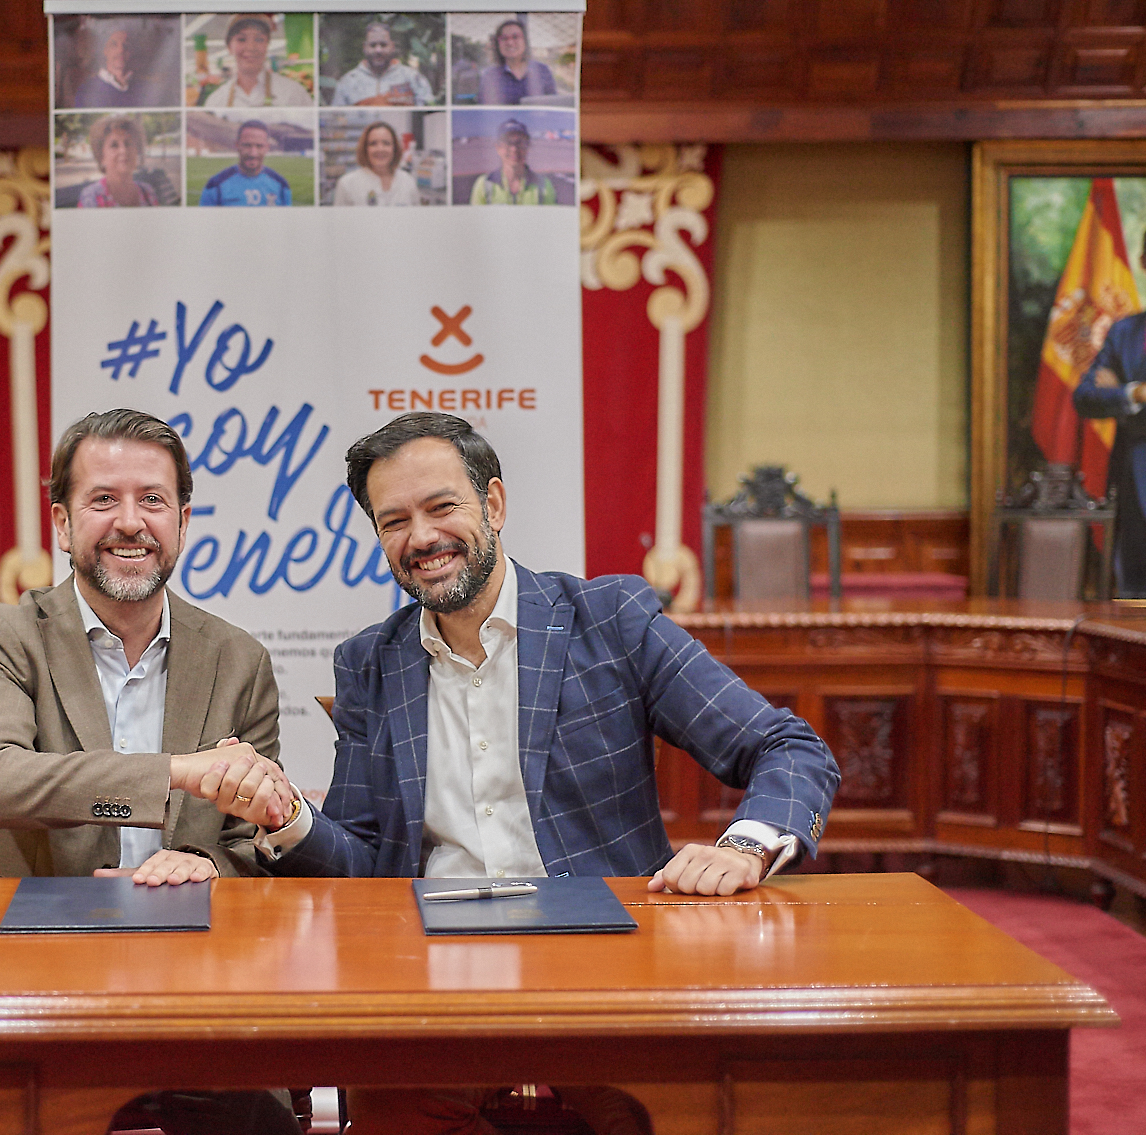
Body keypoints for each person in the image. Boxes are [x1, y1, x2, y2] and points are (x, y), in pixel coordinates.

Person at [183, 412, 840, 1135]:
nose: (421, 537)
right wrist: (289, 818)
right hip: (430, 984)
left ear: (492, 505)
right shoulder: (371, 662)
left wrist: (746, 846)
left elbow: (787, 745)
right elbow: (366, 861)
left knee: (674, 1114)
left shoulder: (610, 619)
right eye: (393, 519)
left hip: (606, 977)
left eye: (441, 507)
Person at [0, 410, 299, 1134]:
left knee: (264, 1122)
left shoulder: (238, 659)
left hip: (195, 985)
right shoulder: (4, 636)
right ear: (62, 522)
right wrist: (175, 771)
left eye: (153, 500)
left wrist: (205, 863)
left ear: (183, 519)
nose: (130, 522)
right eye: (104, 499)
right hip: (29, 976)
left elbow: (249, 846)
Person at [1074, 217, 1146, 598]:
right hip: (1128, 490)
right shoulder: (1123, 331)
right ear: (1143, 261)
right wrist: (1138, 393)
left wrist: (1117, 395)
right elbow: (1084, 398)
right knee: (1135, 615)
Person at [203, 14, 312, 107]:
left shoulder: (293, 93)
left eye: (259, 39)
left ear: (267, 45)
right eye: (241, 39)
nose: (251, 47)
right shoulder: (216, 101)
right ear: (229, 47)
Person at [331, 21, 434, 106]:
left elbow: (428, 108)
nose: (378, 50)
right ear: (364, 47)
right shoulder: (347, 82)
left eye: (383, 45)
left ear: (392, 47)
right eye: (373, 45)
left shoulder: (412, 77)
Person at [199, 119, 292, 207]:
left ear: (267, 148)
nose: (253, 153)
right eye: (247, 145)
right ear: (237, 145)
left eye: (259, 146)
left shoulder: (281, 186)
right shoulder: (215, 186)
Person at [75, 115, 157, 208]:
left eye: (127, 143)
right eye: (114, 145)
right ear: (101, 156)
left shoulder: (148, 192)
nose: (123, 150)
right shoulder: (91, 198)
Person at [468, 118, 556, 205]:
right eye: (508, 142)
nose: (514, 149)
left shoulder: (544, 186)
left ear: (528, 146)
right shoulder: (483, 185)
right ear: (498, 148)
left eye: (520, 143)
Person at [332, 121, 420, 207]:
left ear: (395, 148)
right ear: (365, 149)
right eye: (373, 144)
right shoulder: (347, 184)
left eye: (386, 143)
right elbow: (339, 221)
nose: (380, 149)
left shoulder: (408, 181)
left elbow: (416, 219)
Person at [478, 17, 557, 106]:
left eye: (515, 37)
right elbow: (486, 112)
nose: (510, 43)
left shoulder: (542, 71)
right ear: (498, 44)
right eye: (504, 38)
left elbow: (553, 106)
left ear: (525, 41)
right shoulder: (490, 76)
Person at [73, 22, 140, 108]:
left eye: (125, 45)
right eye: (114, 45)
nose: (121, 50)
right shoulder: (86, 90)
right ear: (105, 50)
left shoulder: (142, 88)